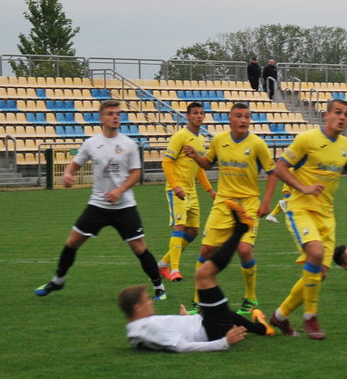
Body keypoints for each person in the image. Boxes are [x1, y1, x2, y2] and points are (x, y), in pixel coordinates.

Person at [35, 100, 167, 300]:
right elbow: (75, 164)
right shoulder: (91, 143)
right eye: (111, 113)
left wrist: (119, 190)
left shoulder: (128, 144)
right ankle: (58, 281)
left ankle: (159, 287)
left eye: (118, 114)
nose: (115, 117)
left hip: (124, 206)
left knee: (139, 248)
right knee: (72, 242)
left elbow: (136, 173)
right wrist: (68, 174)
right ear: (101, 118)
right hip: (98, 205)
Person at [267, 98, 347, 340]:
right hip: (301, 210)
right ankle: (310, 316)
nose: (342, 117)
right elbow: (280, 168)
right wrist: (302, 187)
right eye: (337, 112)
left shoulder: (346, 145)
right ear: (325, 115)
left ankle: (280, 317)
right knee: (315, 254)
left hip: (327, 216)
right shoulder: (307, 140)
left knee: (319, 273)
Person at [119, 201, 275, 352]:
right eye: (146, 299)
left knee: (213, 304)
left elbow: (169, 333)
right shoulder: (145, 330)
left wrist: (186, 319)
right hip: (211, 331)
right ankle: (241, 229)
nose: (150, 301)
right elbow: (180, 346)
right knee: (204, 274)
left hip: (204, 324)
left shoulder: (139, 328)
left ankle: (261, 328)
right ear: (137, 307)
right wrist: (224, 342)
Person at [182, 102, 277, 315]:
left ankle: (250, 297)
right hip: (223, 203)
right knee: (206, 250)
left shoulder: (257, 144)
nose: (244, 120)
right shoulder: (219, 140)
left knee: (244, 249)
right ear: (230, 119)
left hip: (248, 203)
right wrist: (195, 156)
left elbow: (273, 173)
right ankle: (198, 299)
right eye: (239, 116)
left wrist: (266, 202)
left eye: (247, 116)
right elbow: (208, 164)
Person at [158, 102, 216, 283]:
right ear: (188, 116)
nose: (199, 116)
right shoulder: (180, 136)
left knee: (193, 231)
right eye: (195, 113)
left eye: (201, 113)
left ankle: (163, 264)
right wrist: (175, 186)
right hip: (178, 189)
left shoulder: (200, 139)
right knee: (180, 226)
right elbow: (166, 162)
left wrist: (209, 190)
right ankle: (175, 269)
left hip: (191, 190)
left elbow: (199, 167)